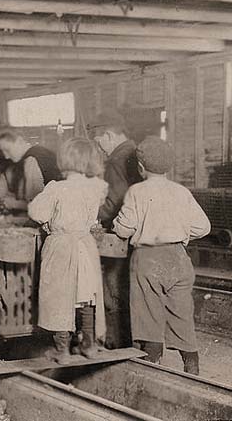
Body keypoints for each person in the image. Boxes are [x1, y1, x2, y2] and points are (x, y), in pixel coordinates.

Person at [113, 136, 210, 375]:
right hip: (178, 257)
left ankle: (153, 364)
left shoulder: (137, 191)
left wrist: (117, 225)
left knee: (148, 316)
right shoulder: (181, 191)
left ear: (141, 166)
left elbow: (125, 228)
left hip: (148, 259)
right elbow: (203, 227)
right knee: (181, 313)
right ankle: (192, 365)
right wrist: (180, 234)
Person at [27, 137, 108, 364]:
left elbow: (36, 213)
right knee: (85, 296)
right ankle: (89, 346)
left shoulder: (56, 188)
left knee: (59, 297)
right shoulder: (95, 188)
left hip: (61, 246)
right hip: (85, 246)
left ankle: (61, 350)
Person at [88, 110, 143, 349]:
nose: (99, 147)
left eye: (99, 141)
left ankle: (117, 344)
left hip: (119, 238)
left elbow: (113, 203)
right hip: (138, 236)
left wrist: (89, 212)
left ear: (108, 135)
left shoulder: (116, 161)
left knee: (113, 289)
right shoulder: (136, 153)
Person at [0, 127, 60, 210]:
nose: (6, 156)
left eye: (7, 150)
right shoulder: (40, 151)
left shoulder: (30, 161)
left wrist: (13, 203)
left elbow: (36, 206)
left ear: (19, 141)